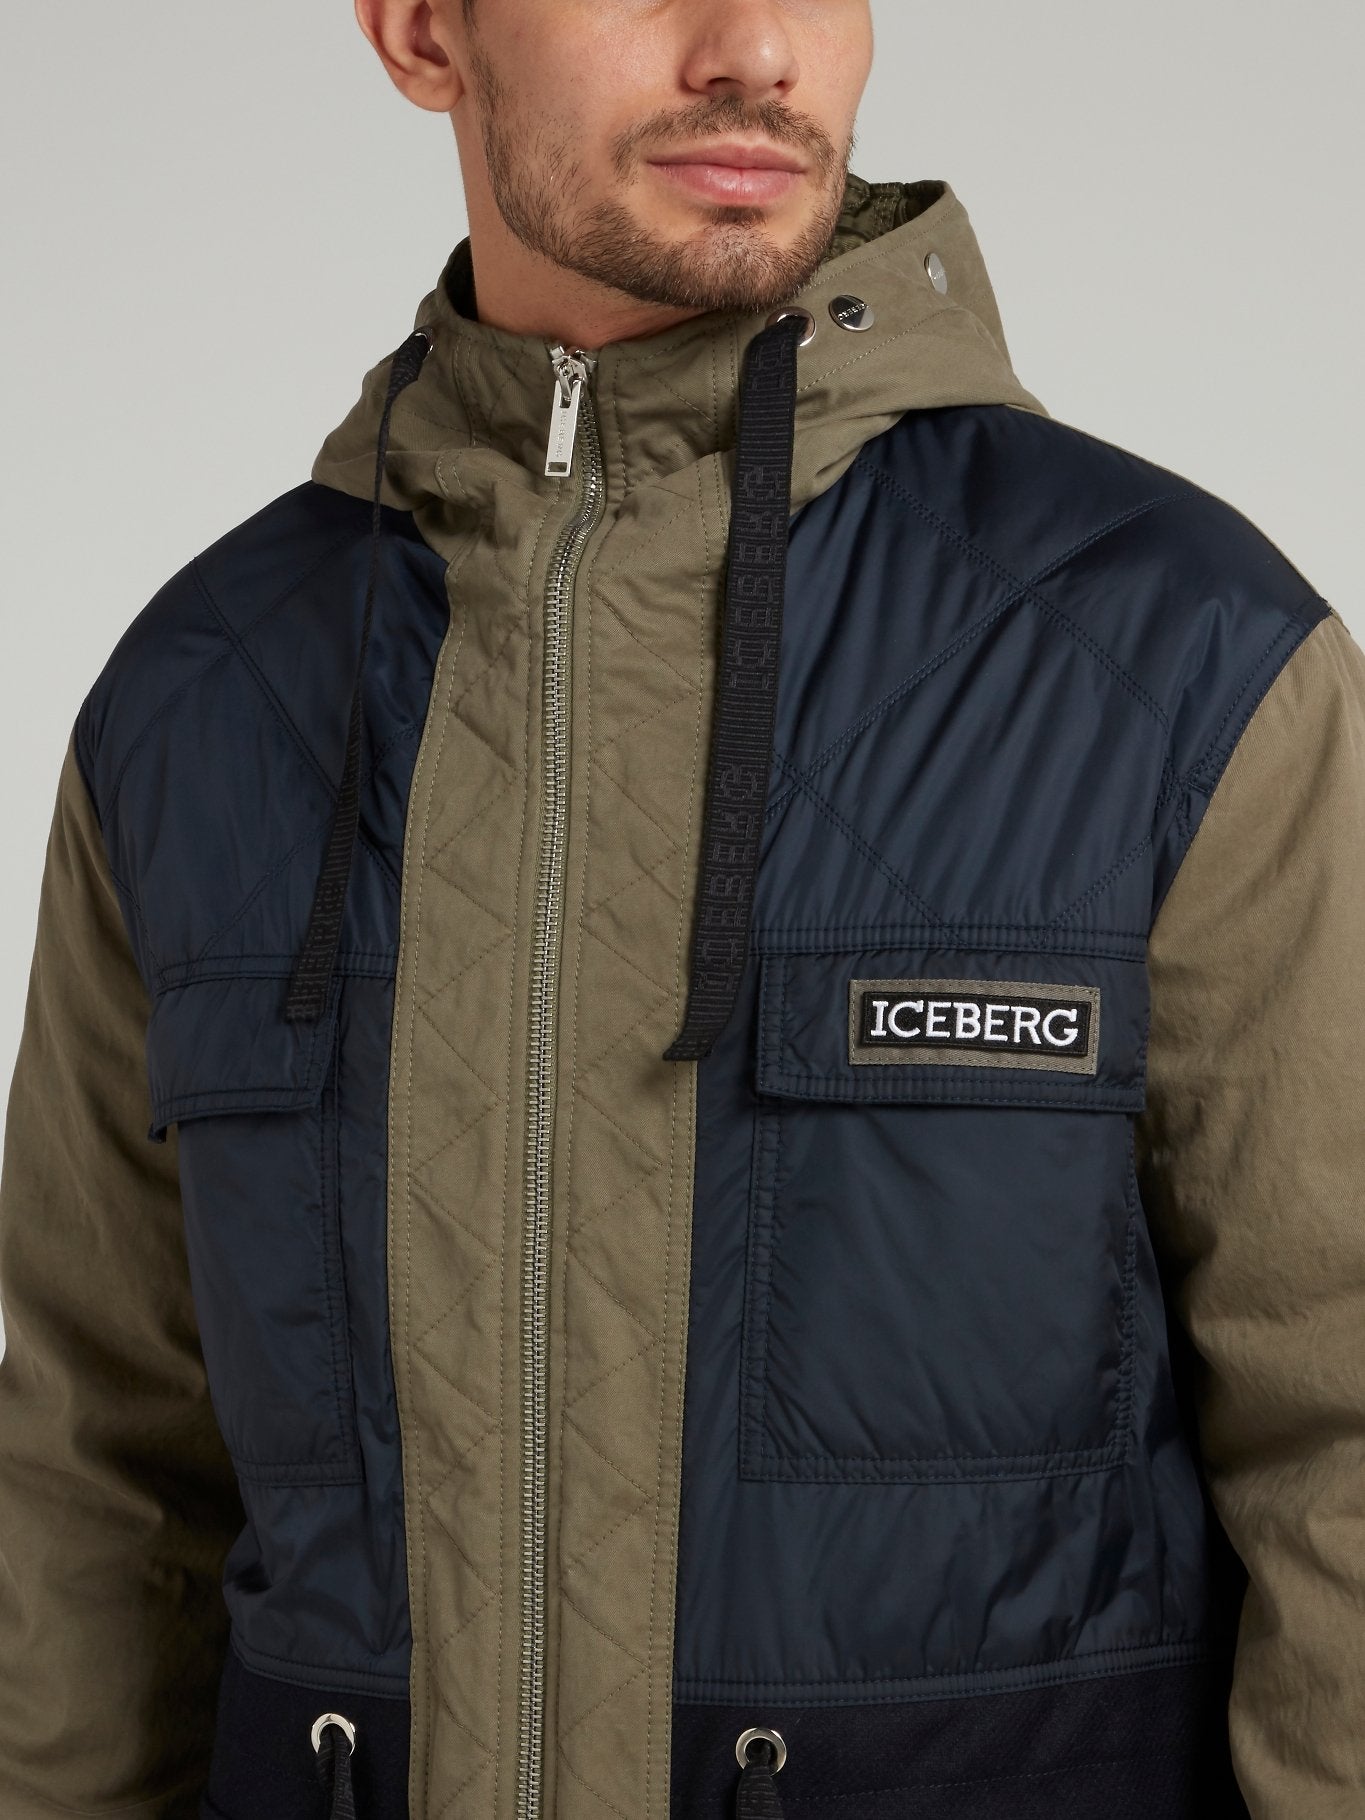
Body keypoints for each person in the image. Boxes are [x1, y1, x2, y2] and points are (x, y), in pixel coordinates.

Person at [0, 1, 1361, 1816]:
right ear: (420, 33)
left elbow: (1341, 1439)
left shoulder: (1176, 658)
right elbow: (94, 1476)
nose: (756, 49)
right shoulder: (205, 692)